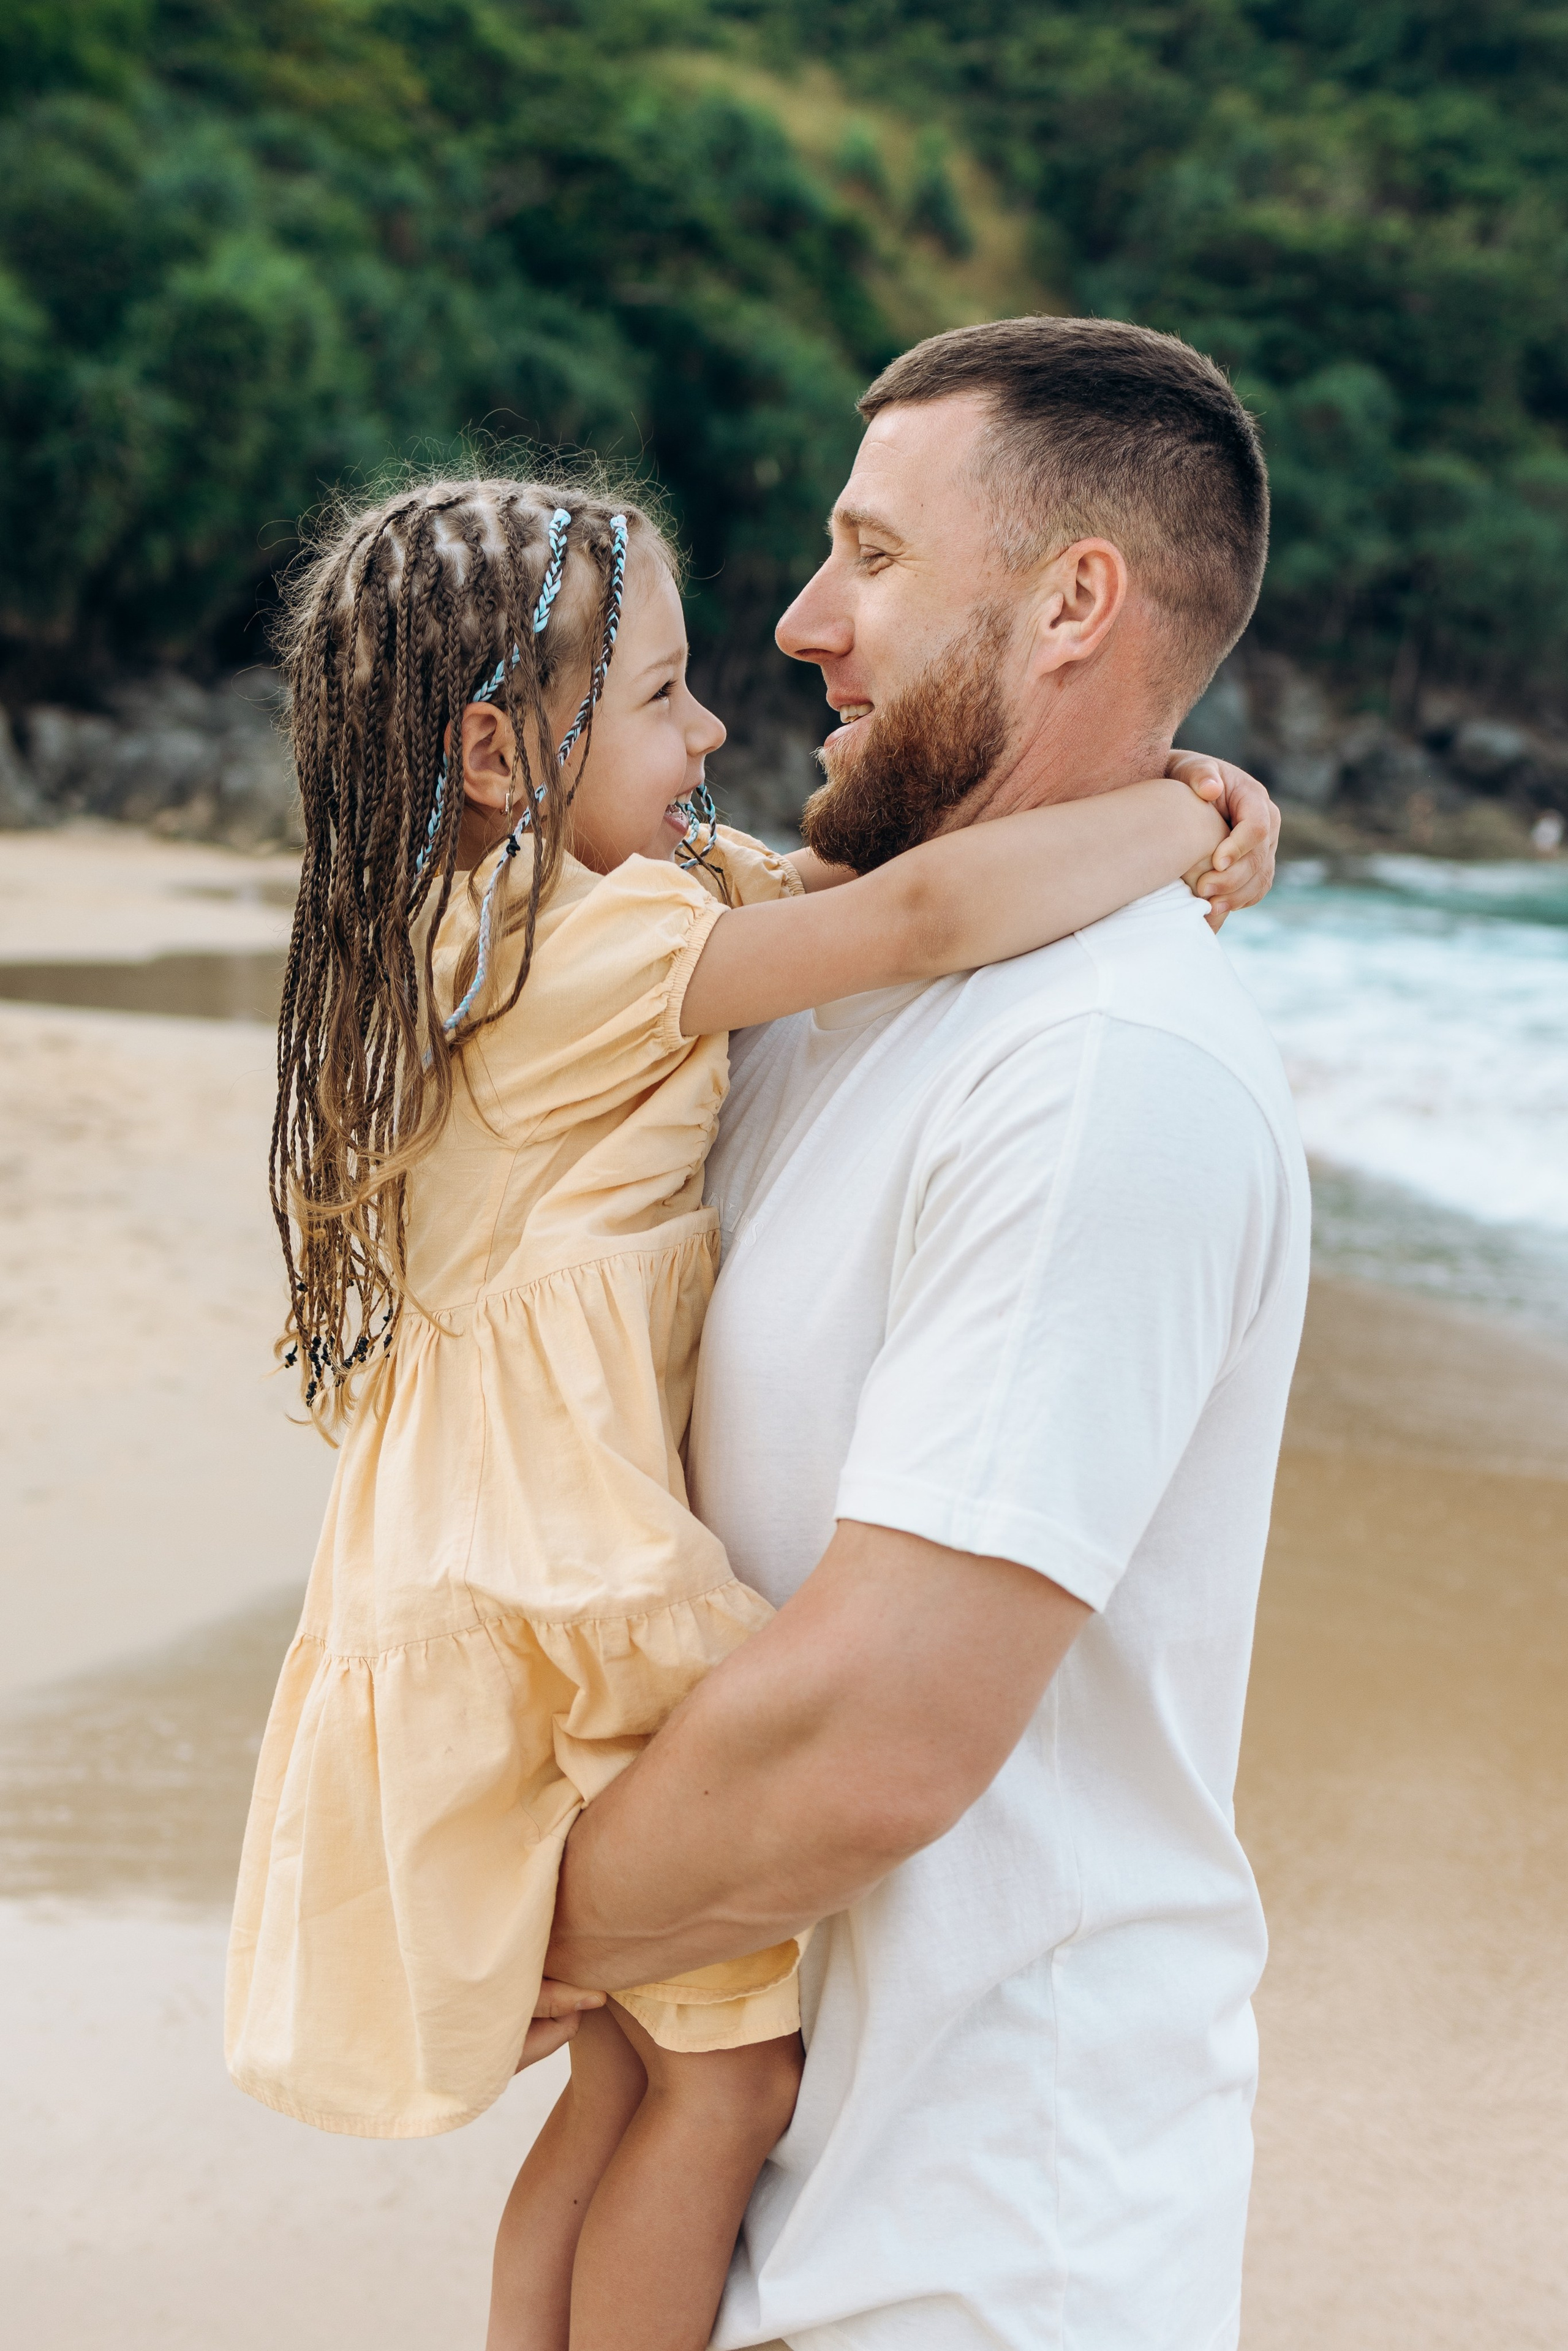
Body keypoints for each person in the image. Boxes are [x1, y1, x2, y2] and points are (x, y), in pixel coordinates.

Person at [223, 467, 1273, 2351]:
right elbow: (926, 913)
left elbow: (845, 890)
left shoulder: (520, 923)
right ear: (492, 749)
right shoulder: (582, 948)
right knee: (719, 2084)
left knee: (622, 2077)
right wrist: (1176, 817)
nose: (719, 724)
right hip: (569, 1551)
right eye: (660, 697)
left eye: (863, 559)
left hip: (480, 1548)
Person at [539, 317, 1311, 2351]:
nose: (800, 624)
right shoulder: (814, 990)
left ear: (1076, 604)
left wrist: (489, 1932)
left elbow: (877, 1730)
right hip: (750, 2201)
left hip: (981, 2255)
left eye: (870, 556)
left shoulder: (1105, 1069)